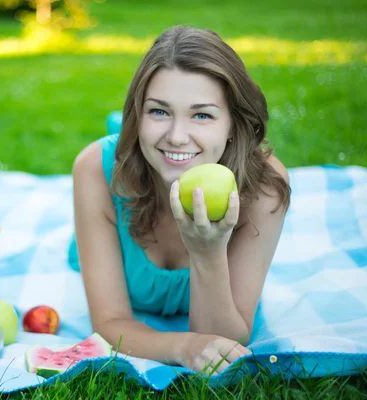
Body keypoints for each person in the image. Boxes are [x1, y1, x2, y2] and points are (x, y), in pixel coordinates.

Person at [70, 25, 291, 375]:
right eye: (158, 111)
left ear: (233, 123)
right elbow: (110, 321)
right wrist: (183, 347)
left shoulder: (264, 189)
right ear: (137, 113)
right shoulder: (96, 170)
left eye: (202, 114)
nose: (176, 136)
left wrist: (208, 251)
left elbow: (226, 342)